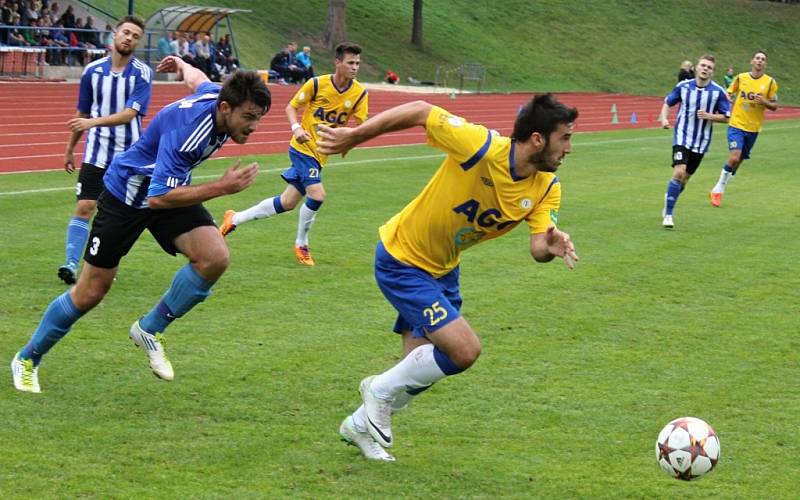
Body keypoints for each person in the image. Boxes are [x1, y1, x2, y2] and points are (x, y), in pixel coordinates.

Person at [314, 94, 579, 461]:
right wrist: (355, 135)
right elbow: (421, 110)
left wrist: (550, 245)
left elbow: (537, 245)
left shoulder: (546, 186)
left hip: (443, 269)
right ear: (538, 138)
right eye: (564, 138)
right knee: (464, 350)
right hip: (402, 257)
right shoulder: (482, 147)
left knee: (419, 372)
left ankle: (358, 426)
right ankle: (375, 389)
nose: (568, 147)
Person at [10, 58, 271, 393]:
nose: (254, 126)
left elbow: (198, 78)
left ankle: (149, 328)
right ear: (225, 108)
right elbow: (158, 198)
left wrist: (180, 63)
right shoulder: (191, 132)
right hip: (127, 197)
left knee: (214, 257)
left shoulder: (214, 97)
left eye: (258, 118)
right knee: (90, 292)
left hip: (165, 190)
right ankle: (28, 358)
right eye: (248, 117)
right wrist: (221, 188)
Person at [220, 42, 367, 266]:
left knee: (287, 202)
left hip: (321, 154)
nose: (355, 67)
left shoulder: (359, 93)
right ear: (338, 62)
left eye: (357, 63)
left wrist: (350, 140)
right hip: (302, 148)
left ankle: (234, 218)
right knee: (317, 195)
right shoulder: (316, 84)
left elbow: (361, 125)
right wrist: (296, 128)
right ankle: (301, 244)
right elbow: (291, 107)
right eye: (350, 63)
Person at [57, 16, 153, 285]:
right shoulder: (92, 71)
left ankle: (104, 264)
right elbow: (82, 112)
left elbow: (129, 114)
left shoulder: (142, 73)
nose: (129, 38)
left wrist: (92, 122)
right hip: (96, 153)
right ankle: (71, 263)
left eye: (135, 36)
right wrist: (69, 149)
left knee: (118, 216)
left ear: (138, 41)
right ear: (115, 34)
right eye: (126, 33)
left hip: (129, 157)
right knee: (85, 206)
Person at [658, 55, 730, 228]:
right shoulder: (683, 87)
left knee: (684, 180)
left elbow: (727, 117)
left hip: (701, 142)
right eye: (703, 65)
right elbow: (668, 102)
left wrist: (710, 116)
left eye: (709, 67)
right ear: (696, 68)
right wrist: (664, 119)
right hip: (682, 136)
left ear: (712, 72)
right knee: (679, 173)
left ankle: (671, 198)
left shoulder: (718, 92)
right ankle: (668, 214)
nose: (705, 69)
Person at [709, 51, 778, 207]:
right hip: (737, 124)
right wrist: (727, 100)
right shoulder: (741, 78)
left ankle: (722, 186)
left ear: (764, 64)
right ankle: (718, 189)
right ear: (752, 61)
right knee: (734, 157)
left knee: (739, 161)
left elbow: (774, 106)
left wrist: (764, 101)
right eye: (757, 58)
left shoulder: (770, 82)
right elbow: (728, 94)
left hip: (753, 128)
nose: (760, 61)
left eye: (763, 59)